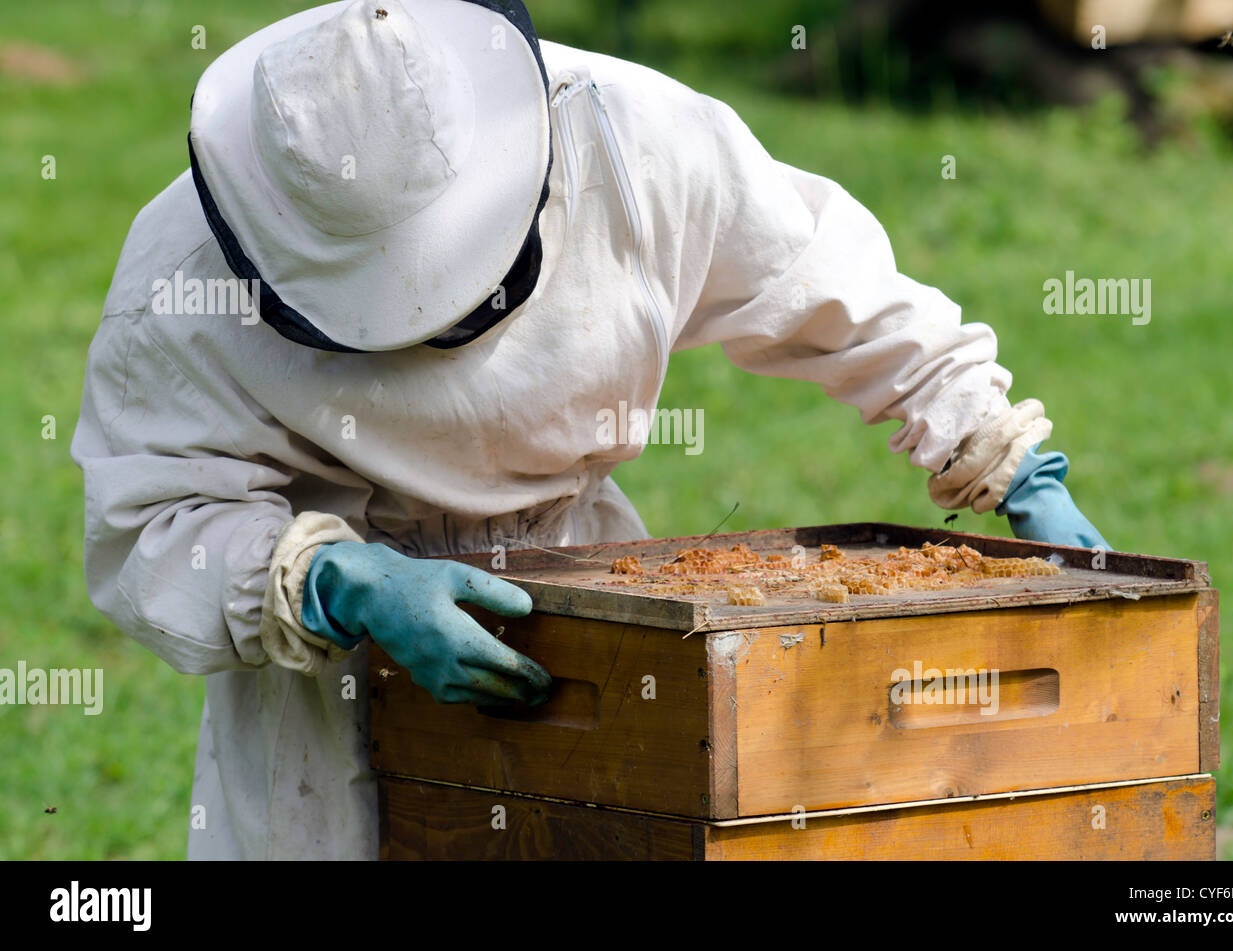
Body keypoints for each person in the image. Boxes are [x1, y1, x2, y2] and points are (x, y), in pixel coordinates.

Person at [71, 0, 1107, 860]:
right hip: (328, 685)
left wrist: (1003, 454)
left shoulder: (634, 139)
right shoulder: (180, 272)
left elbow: (822, 280)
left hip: (591, 604)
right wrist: (335, 581)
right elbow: (148, 523)